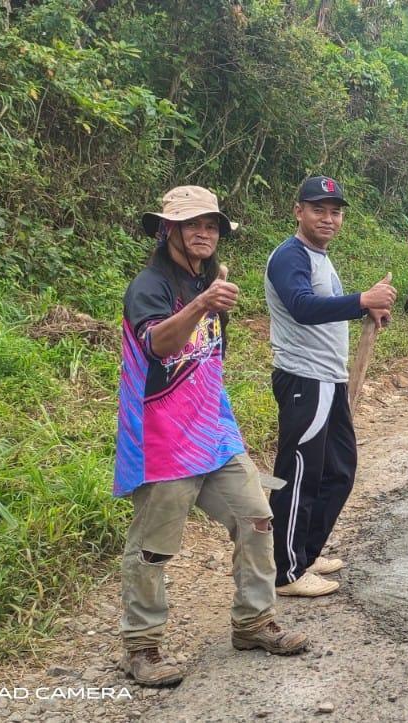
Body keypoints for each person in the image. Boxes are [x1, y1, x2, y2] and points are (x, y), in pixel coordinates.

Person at [115, 185, 309, 686]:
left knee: (257, 520)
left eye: (212, 225)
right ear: (168, 230)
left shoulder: (210, 283)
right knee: (152, 548)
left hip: (213, 434)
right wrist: (202, 302)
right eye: (192, 224)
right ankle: (142, 648)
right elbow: (159, 344)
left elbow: (207, 363)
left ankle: (253, 623)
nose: (204, 233)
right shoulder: (150, 286)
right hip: (162, 439)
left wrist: (207, 300)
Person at [264, 176, 397, 597]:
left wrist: (366, 312)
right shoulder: (290, 256)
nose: (328, 218)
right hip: (305, 379)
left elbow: (324, 308)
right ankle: (285, 571)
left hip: (329, 379)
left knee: (337, 471)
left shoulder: (320, 257)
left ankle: (304, 549)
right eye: (318, 209)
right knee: (299, 474)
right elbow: (302, 307)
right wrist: (361, 299)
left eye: (335, 211)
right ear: (298, 210)